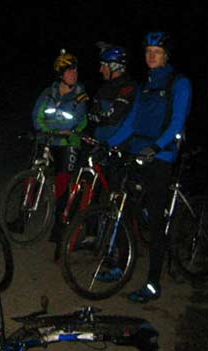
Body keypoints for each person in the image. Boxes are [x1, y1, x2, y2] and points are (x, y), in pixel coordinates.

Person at [108, 32, 192, 303]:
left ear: (166, 55)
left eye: (157, 51)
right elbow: (131, 122)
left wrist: (157, 147)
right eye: (148, 51)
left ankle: (153, 284)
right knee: (126, 211)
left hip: (161, 156)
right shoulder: (145, 86)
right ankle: (121, 265)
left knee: (156, 222)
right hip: (137, 154)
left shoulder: (179, 84)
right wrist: (109, 144)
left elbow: (177, 122)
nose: (151, 55)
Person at [31, 49, 88, 247]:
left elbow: (76, 122)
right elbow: (37, 116)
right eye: (70, 71)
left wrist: (58, 130)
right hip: (49, 139)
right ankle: (23, 214)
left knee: (64, 180)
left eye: (75, 71)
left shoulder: (80, 95)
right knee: (33, 171)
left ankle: (60, 225)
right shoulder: (48, 92)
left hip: (68, 143)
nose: (74, 74)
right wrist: (47, 130)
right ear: (61, 74)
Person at [88, 44, 136, 142]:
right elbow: (92, 113)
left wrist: (95, 117)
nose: (100, 70)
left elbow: (113, 117)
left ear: (114, 66)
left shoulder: (128, 88)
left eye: (103, 66)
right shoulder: (104, 88)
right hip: (98, 142)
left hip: (118, 146)